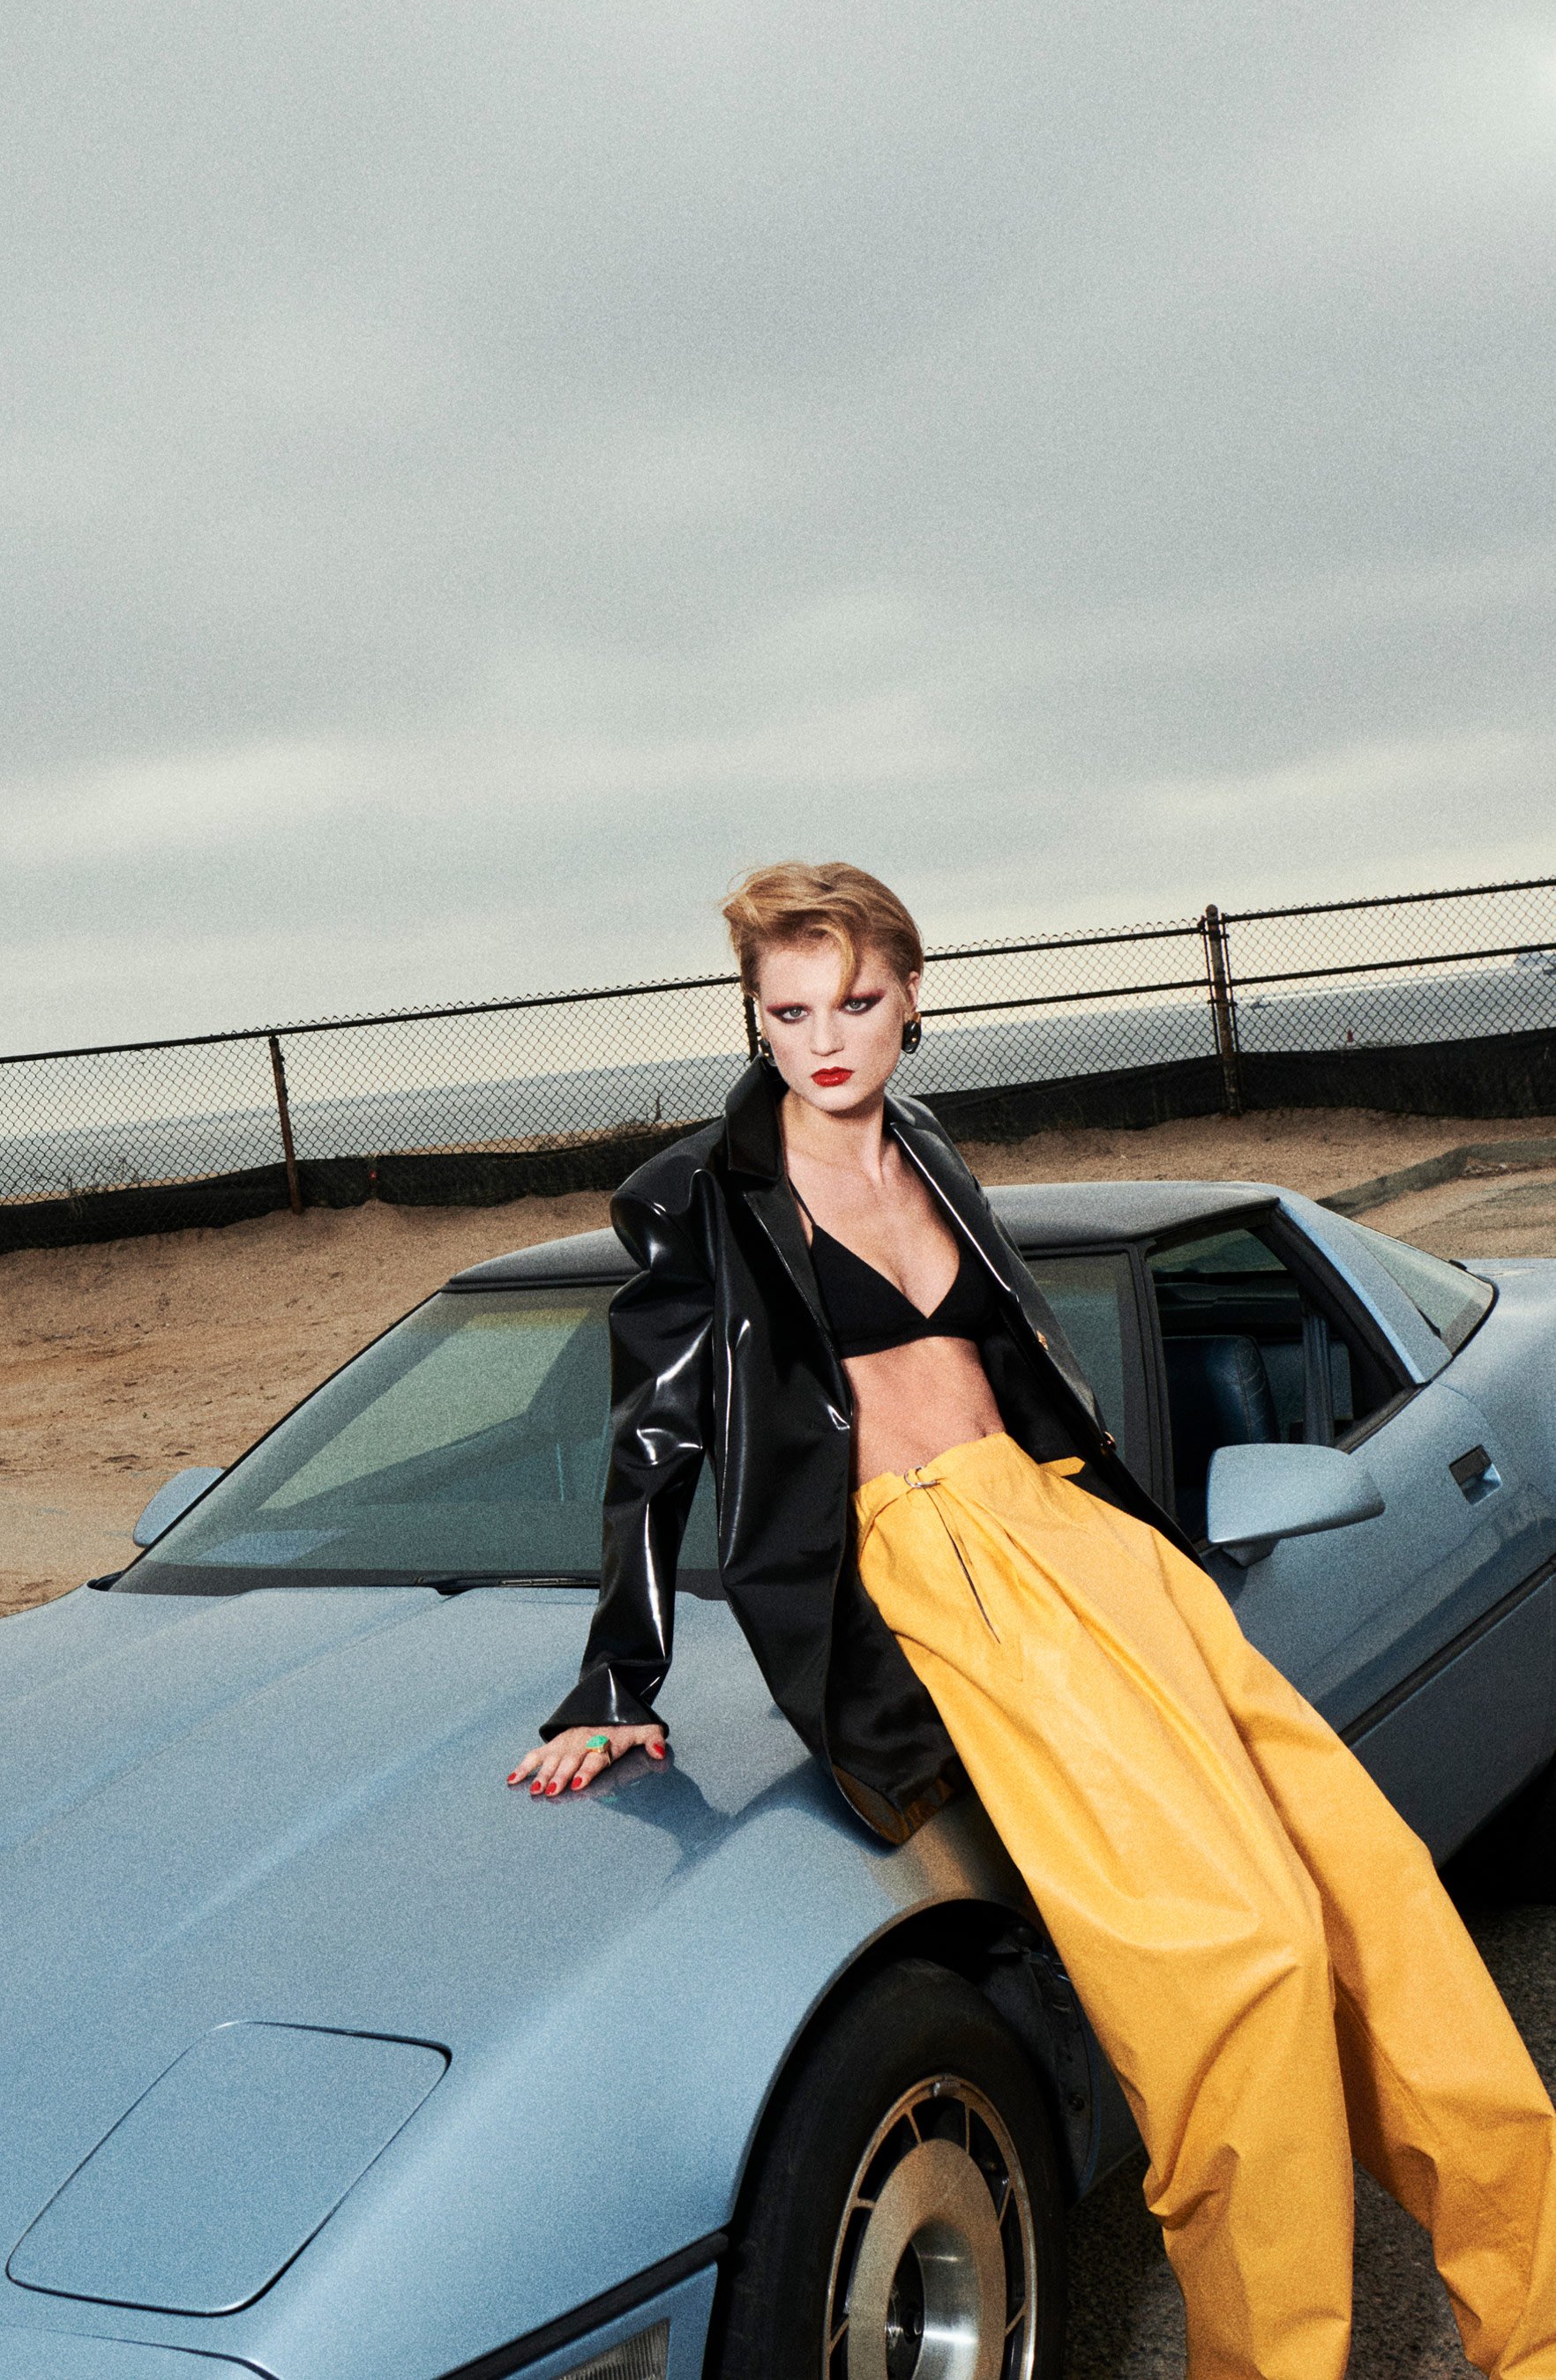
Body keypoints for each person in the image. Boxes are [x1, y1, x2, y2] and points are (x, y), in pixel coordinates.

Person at [510, 859, 1556, 2380]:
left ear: (910, 996)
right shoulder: (702, 1195)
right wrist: (616, 1676)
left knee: (1379, 1899)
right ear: (753, 1014)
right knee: (1241, 1961)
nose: (823, 1040)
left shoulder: (928, 1146)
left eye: (855, 1001)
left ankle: (1539, 2324)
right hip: (937, 1568)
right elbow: (657, 1438)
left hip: (1079, 1533)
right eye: (788, 1011)